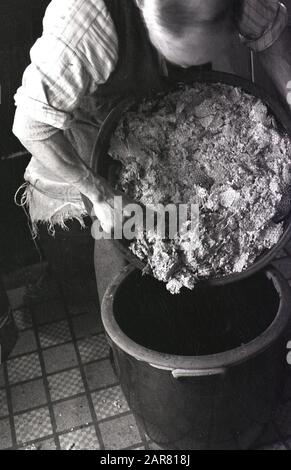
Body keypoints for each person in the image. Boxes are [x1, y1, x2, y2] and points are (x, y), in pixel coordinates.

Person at [13, 0, 291, 301]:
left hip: (181, 116)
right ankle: (124, 337)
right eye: (179, 56)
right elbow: (31, 126)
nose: (186, 66)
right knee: (117, 231)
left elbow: (269, 32)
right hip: (99, 119)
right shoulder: (86, 21)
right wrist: (100, 193)